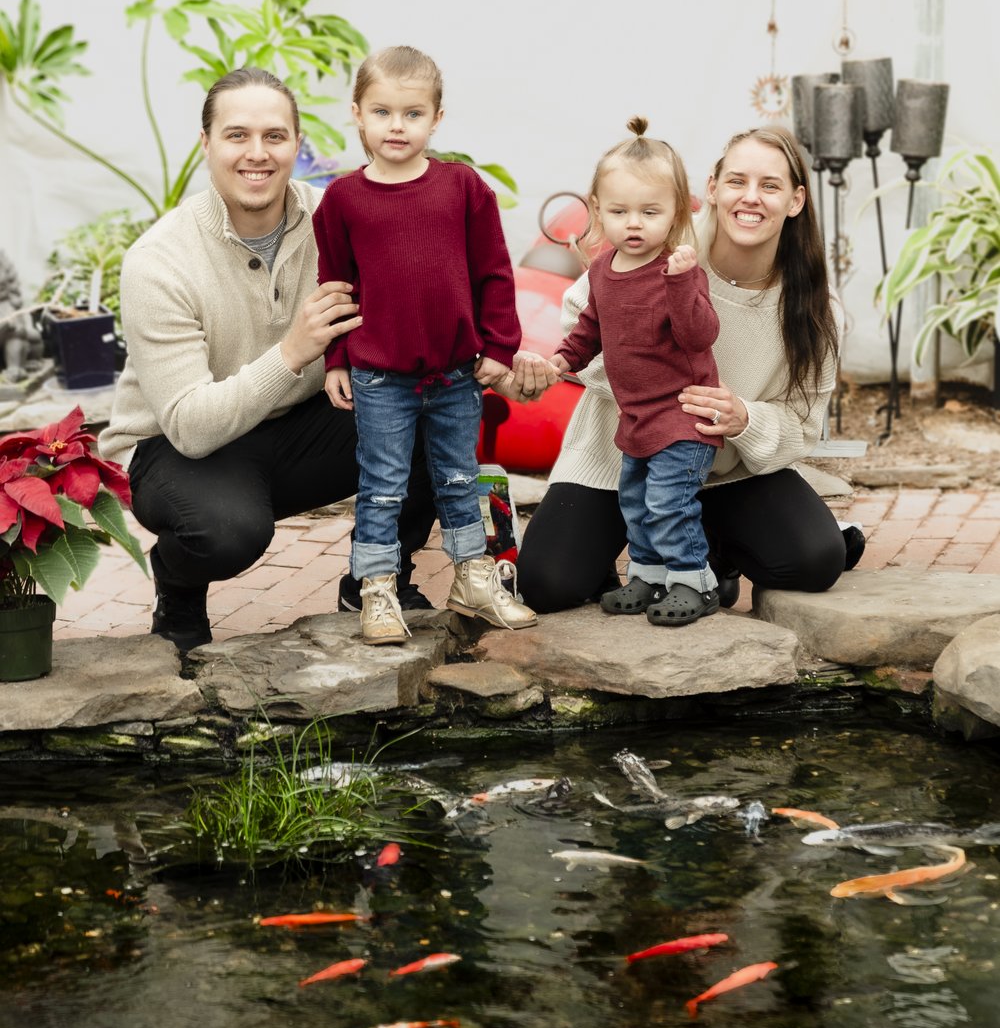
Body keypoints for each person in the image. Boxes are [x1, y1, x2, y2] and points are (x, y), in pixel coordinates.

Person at [99, 66, 440, 652]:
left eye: (275, 136)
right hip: (176, 447)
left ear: (296, 144)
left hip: (301, 426)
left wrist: (495, 354)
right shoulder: (159, 261)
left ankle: (375, 579)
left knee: (439, 408)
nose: (256, 154)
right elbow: (191, 425)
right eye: (237, 135)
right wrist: (292, 352)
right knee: (227, 533)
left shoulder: (340, 218)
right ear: (206, 144)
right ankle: (177, 583)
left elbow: (412, 318)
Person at [518, 124, 864, 613]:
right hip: (621, 452)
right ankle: (651, 560)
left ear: (796, 200)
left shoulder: (811, 308)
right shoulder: (659, 242)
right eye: (737, 181)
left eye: (770, 185)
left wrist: (745, 417)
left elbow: (802, 426)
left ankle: (708, 556)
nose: (751, 198)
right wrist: (653, 390)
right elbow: (583, 322)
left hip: (725, 467)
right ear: (712, 189)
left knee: (814, 560)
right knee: (548, 583)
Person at [313, 45, 537, 645]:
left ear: (436, 118)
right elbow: (335, 286)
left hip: (456, 373)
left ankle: (473, 577)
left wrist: (500, 346)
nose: (396, 126)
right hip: (380, 375)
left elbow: (494, 272)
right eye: (382, 112)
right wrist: (336, 359)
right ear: (357, 113)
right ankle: (377, 589)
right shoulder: (342, 201)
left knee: (459, 479)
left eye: (412, 114)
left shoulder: (462, 188)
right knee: (383, 484)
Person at [546, 118, 722, 627]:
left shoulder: (680, 272)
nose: (635, 224)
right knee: (636, 503)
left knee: (669, 503)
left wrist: (683, 282)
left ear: (676, 214)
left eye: (650, 211)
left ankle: (695, 581)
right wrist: (561, 360)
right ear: (597, 209)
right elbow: (589, 331)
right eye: (620, 212)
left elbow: (699, 336)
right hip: (637, 419)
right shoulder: (602, 271)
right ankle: (648, 575)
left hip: (681, 419)